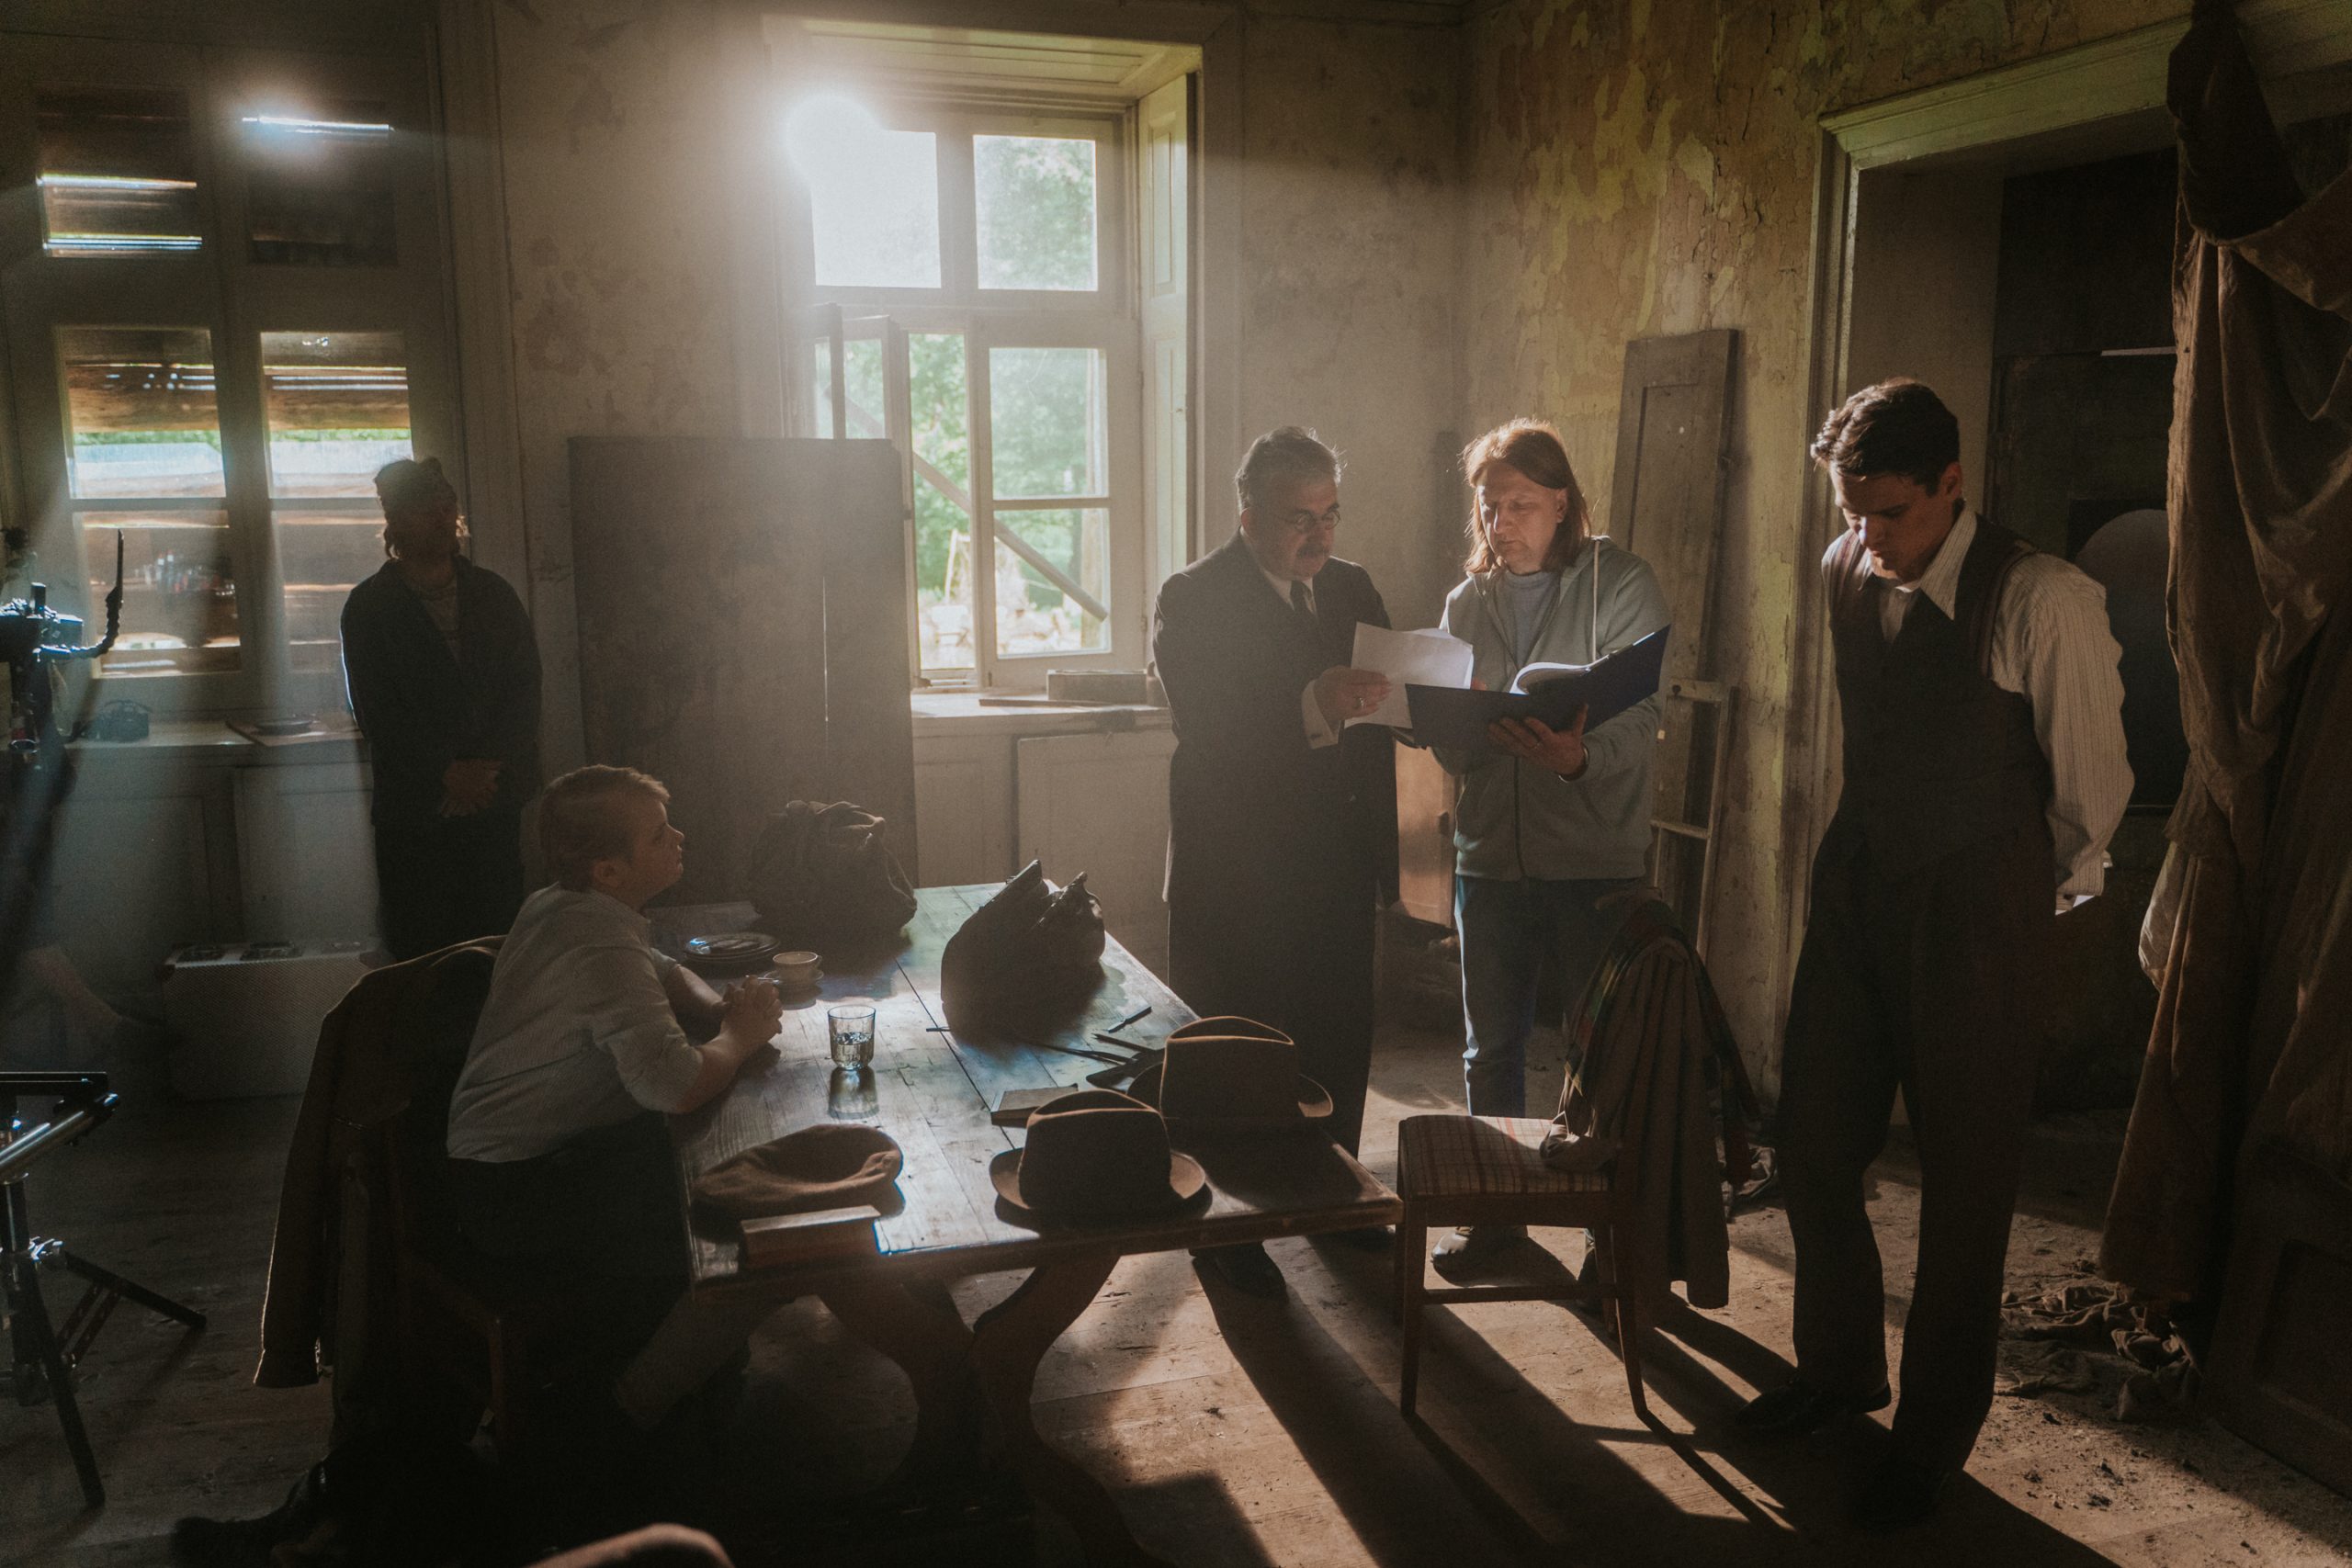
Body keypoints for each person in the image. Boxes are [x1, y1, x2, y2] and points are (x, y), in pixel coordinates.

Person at [1742, 379, 2131, 1529]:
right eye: (1853, 513)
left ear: (1952, 484)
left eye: (1893, 514)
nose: (1871, 538)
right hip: (1859, 891)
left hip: (1978, 912)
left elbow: (2092, 789)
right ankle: (1838, 1372)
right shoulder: (1843, 568)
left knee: (1965, 1186)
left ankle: (1929, 1444)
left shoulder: (2041, 597)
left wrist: (2007, 897)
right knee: (1813, 1143)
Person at [445, 765, 786, 1428]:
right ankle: (622, 1413)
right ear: (607, 869)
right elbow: (676, 1087)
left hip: (518, 1163)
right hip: (519, 1192)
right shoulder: (593, 939)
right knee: (750, 1227)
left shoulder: (563, 904)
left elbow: (661, 967)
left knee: (730, 1171)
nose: (678, 837)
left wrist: (718, 1009)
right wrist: (741, 1038)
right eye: (659, 834)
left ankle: (700, 1368)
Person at [1152, 426, 1398, 1298]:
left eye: (1331, 514)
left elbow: (1386, 709)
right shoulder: (1192, 597)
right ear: (1248, 515)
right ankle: (1229, 1233)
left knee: (1338, 1034)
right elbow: (1209, 729)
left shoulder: (1352, 587)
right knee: (1237, 1052)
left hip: (1337, 861)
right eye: (1300, 518)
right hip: (1237, 870)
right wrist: (1312, 703)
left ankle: (1337, 1201)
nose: (1320, 536)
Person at [1426, 418, 1669, 1269]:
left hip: (1593, 857)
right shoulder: (1466, 603)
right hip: (1490, 855)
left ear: (1562, 503)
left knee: (1599, 1051)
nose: (1501, 524)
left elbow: (1643, 714)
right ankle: (1494, 1218)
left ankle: (1610, 1236)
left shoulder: (1622, 583)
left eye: (1520, 505)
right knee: (1489, 1048)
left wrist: (1578, 757)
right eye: (1489, 507)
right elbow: (1453, 740)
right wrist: (1450, 727)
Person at [341, 456, 542, 961]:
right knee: (422, 956)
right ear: (395, 520)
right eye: (425, 507)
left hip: (493, 804)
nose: (441, 517)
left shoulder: (493, 595)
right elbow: (377, 712)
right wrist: (446, 773)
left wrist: (483, 773)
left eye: (447, 505)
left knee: (496, 950)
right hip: (415, 815)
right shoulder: (370, 607)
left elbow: (523, 691)